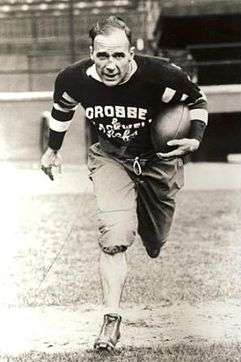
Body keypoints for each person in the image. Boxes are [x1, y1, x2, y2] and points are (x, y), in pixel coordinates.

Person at [41, 16, 208, 351]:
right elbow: (62, 111)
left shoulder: (160, 74)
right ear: (91, 53)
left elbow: (198, 101)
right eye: (102, 56)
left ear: (132, 53)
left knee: (155, 239)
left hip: (158, 162)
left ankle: (151, 232)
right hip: (111, 157)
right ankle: (111, 319)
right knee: (115, 235)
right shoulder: (73, 79)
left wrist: (195, 139)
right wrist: (52, 149)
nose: (110, 65)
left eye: (118, 55)